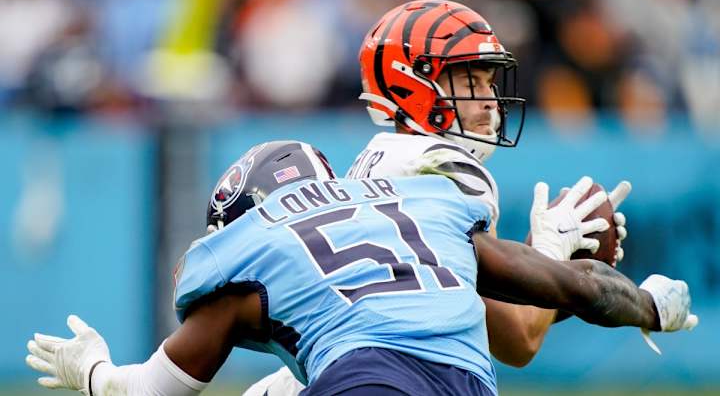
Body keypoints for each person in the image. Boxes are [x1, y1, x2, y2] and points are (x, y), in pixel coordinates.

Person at [26, 141, 697, 396]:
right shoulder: (424, 204)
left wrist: (94, 371)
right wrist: (650, 306)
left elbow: (148, 392)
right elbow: (578, 287)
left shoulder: (250, 253)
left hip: (366, 381)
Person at [245, 0, 632, 395]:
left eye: (489, 82)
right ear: (410, 82)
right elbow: (517, 339)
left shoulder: (377, 159)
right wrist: (552, 251)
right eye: (470, 80)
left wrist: (551, 279)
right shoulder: (443, 167)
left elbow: (485, 315)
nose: (488, 98)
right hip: (393, 375)